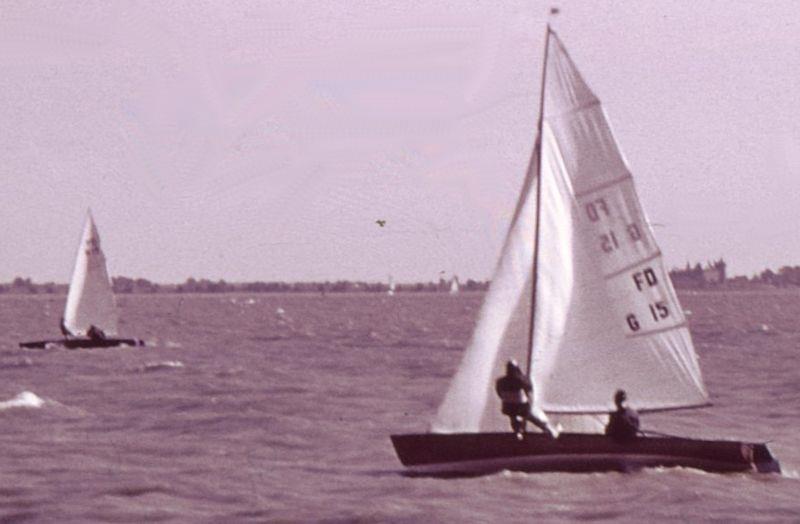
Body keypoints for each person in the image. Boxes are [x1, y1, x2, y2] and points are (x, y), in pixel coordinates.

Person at [495, 360, 558, 439]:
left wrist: (508, 399)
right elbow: (530, 394)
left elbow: (499, 393)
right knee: (537, 419)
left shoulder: (501, 381)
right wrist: (531, 405)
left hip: (509, 407)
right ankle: (551, 431)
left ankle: (518, 432)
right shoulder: (523, 380)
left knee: (514, 418)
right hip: (523, 406)